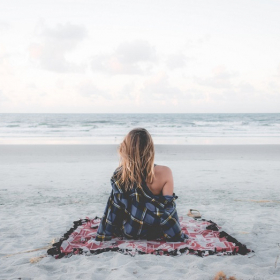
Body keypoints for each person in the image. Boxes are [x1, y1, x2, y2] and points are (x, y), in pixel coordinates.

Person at [95, 128, 188, 242]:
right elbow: (168, 209)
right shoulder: (165, 172)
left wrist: (103, 235)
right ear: (150, 149)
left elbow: (114, 208)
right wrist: (175, 234)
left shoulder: (120, 174)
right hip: (157, 232)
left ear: (127, 149)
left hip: (130, 231)